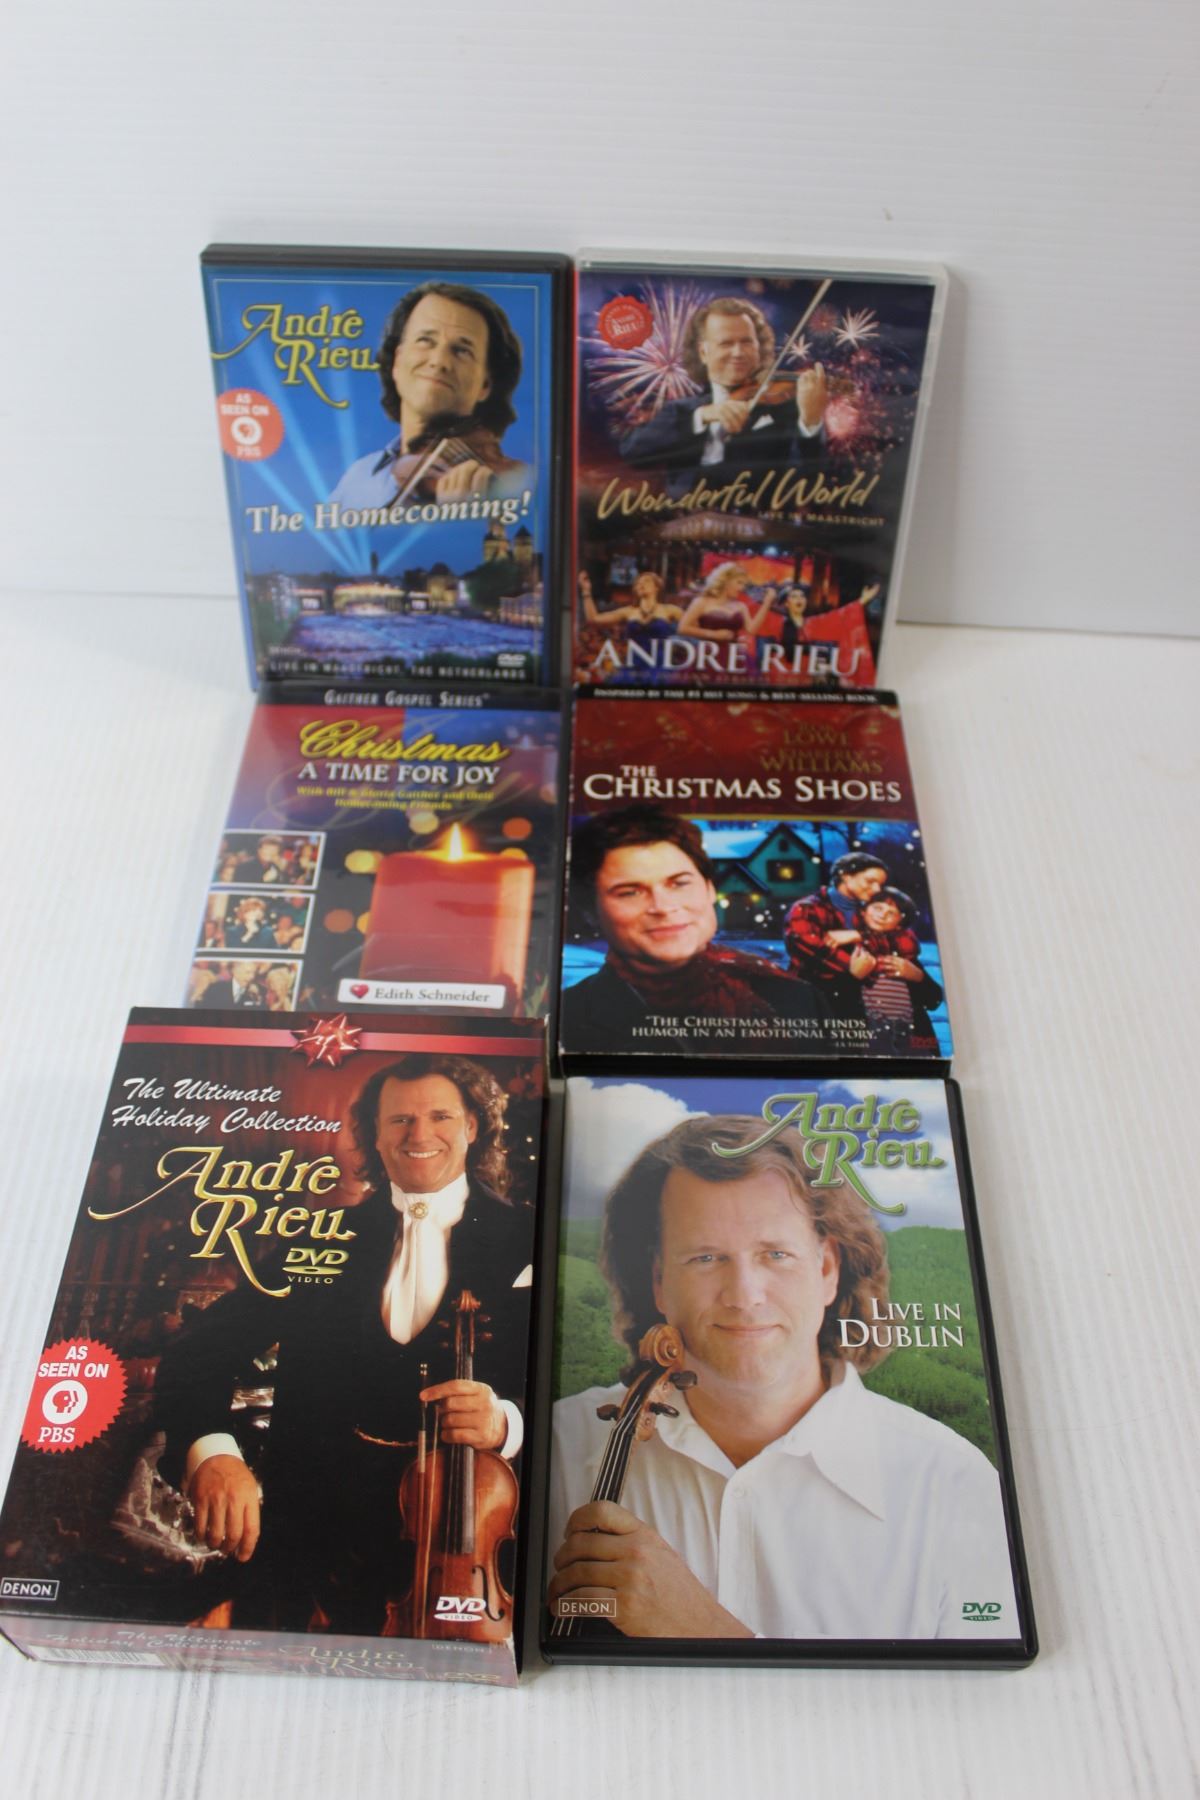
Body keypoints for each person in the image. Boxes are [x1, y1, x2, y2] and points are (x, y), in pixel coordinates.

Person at [547, 1115, 1019, 1641]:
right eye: (706, 1257)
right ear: (659, 1280)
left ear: (827, 1269)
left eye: (775, 1254)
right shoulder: (560, 1446)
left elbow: (971, 1695)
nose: (744, 1295)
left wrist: (705, 1633)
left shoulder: (954, 1484)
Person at [154, 1053, 534, 1631]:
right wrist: (214, 1452)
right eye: (399, 1120)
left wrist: (507, 1422)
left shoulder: (527, 1238)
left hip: (466, 1539)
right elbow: (196, 1352)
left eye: (441, 1117)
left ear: (473, 1127)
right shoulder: (322, 1239)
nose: (419, 1135)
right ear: (375, 1137)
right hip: (316, 1546)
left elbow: (574, 1389)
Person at [562, 805, 824, 1049]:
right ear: (590, 911)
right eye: (630, 892)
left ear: (710, 889)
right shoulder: (568, 1018)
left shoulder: (797, 999)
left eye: (679, 883)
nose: (663, 907)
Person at [331, 282, 527, 508]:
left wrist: (465, 519)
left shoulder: (511, 483)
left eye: (462, 350)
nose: (439, 361)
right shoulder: (359, 475)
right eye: (425, 340)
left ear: (485, 385)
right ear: (397, 361)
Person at [619, 296, 828, 478]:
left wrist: (810, 422)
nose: (738, 353)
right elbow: (632, 453)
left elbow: (810, 477)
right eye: (726, 343)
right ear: (703, 352)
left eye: (747, 342)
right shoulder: (680, 411)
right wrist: (703, 416)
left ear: (758, 347)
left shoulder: (787, 409)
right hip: (687, 509)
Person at [783, 852, 890, 1020]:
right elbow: (808, 949)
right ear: (846, 876)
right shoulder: (806, 908)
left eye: (880, 884)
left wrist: (859, 935)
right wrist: (855, 967)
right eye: (870, 881)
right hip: (812, 1000)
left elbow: (892, 942)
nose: (877, 889)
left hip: (856, 1003)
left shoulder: (871, 912)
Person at [848, 887, 943, 1054]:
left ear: (900, 923)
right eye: (878, 908)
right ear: (863, 912)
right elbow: (834, 997)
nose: (882, 915)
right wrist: (853, 977)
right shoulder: (851, 950)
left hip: (910, 1033)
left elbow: (934, 1000)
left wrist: (918, 976)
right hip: (868, 1033)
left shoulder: (905, 956)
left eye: (891, 913)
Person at [582, 570, 684, 653]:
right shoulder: (627, 612)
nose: (641, 584)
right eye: (638, 583)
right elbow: (593, 619)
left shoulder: (671, 610)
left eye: (646, 581)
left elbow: (690, 627)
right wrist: (586, 591)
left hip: (660, 665)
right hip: (634, 666)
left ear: (657, 587)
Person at [677, 562, 774, 645]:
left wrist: (767, 603)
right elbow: (682, 628)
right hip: (708, 654)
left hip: (733, 655)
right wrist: (713, 634)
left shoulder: (741, 606)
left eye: (744, 585)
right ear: (726, 581)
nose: (741, 588)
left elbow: (751, 630)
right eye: (739, 583)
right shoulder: (702, 602)